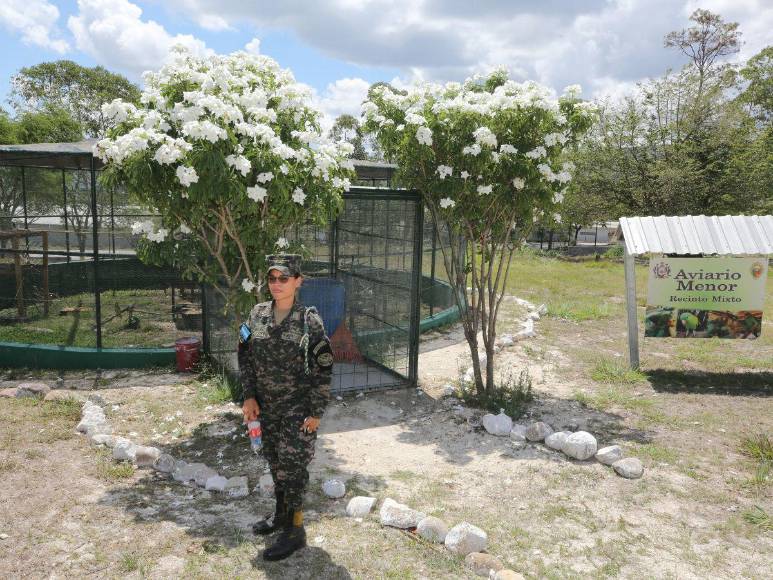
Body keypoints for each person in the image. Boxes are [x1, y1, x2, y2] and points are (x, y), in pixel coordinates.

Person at [237, 254, 333, 561]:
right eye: (272, 278)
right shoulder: (256, 314)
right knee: (275, 462)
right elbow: (244, 355)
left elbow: (323, 370)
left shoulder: (309, 320)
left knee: (294, 471)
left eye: (284, 278)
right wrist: (249, 396)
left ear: (298, 281)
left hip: (297, 411)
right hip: (266, 408)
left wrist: (316, 413)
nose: (276, 284)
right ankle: (280, 516)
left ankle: (296, 531)